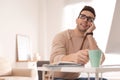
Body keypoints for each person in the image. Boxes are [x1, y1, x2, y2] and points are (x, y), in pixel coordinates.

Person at [50, 5, 106, 80]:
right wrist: (74, 57)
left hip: (75, 78)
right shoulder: (62, 36)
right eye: (83, 16)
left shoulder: (89, 40)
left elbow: (100, 60)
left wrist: (89, 34)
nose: (85, 20)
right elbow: (55, 59)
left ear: (92, 24)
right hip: (56, 78)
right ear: (77, 20)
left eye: (90, 19)